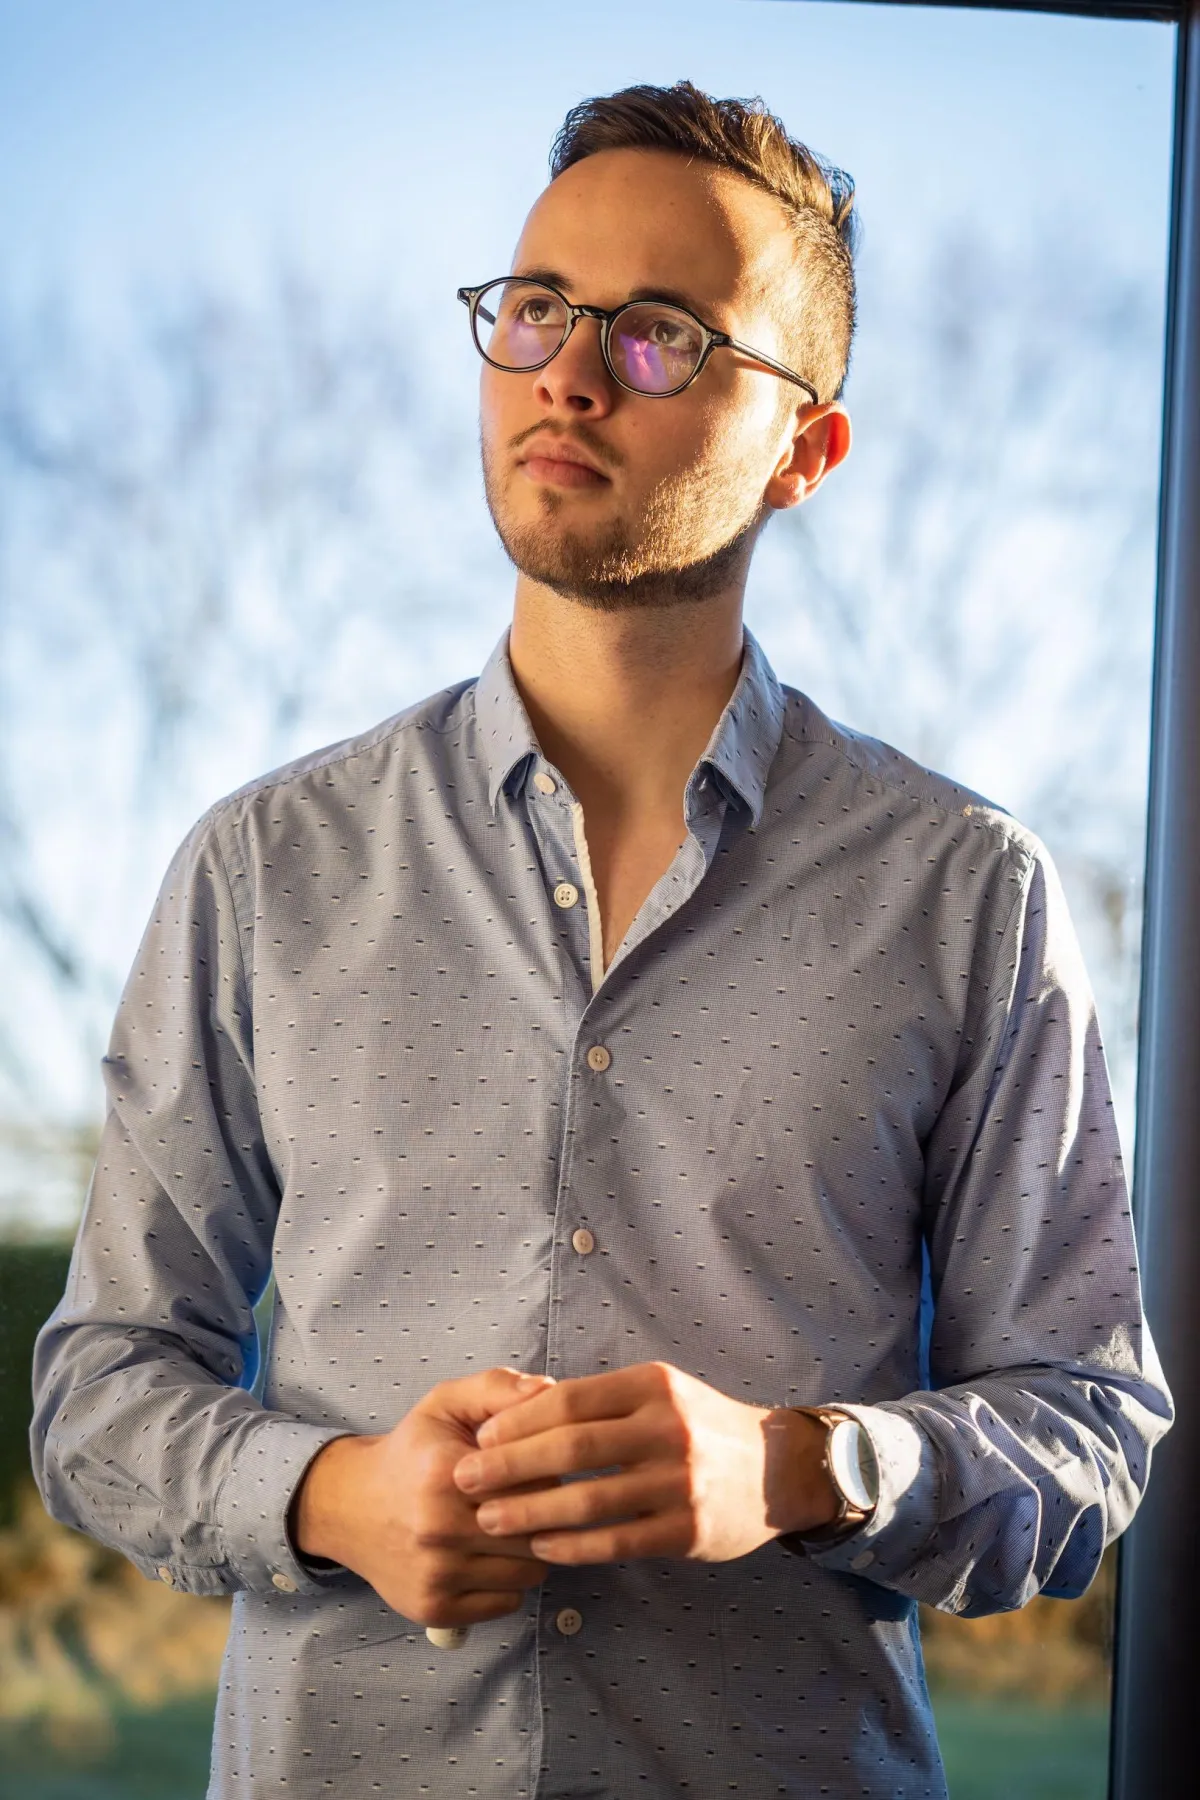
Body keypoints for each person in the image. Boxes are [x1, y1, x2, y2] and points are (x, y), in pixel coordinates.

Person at [30, 80, 1171, 1800]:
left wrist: (800, 1469)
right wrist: (333, 1497)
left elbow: (1086, 1426)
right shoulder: (265, 868)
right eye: (539, 308)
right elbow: (99, 1389)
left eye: (661, 336)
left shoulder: (969, 895)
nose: (569, 372)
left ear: (805, 450)